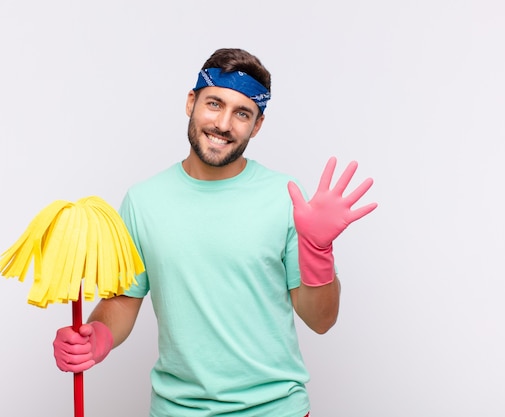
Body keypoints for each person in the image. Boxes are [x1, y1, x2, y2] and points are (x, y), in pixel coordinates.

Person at [53, 47, 378, 417]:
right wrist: (99, 336)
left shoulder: (285, 197)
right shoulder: (143, 201)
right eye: (214, 104)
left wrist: (319, 250)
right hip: (176, 411)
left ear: (257, 125)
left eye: (242, 113)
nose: (223, 124)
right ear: (191, 102)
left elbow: (321, 321)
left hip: (275, 410)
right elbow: (124, 299)